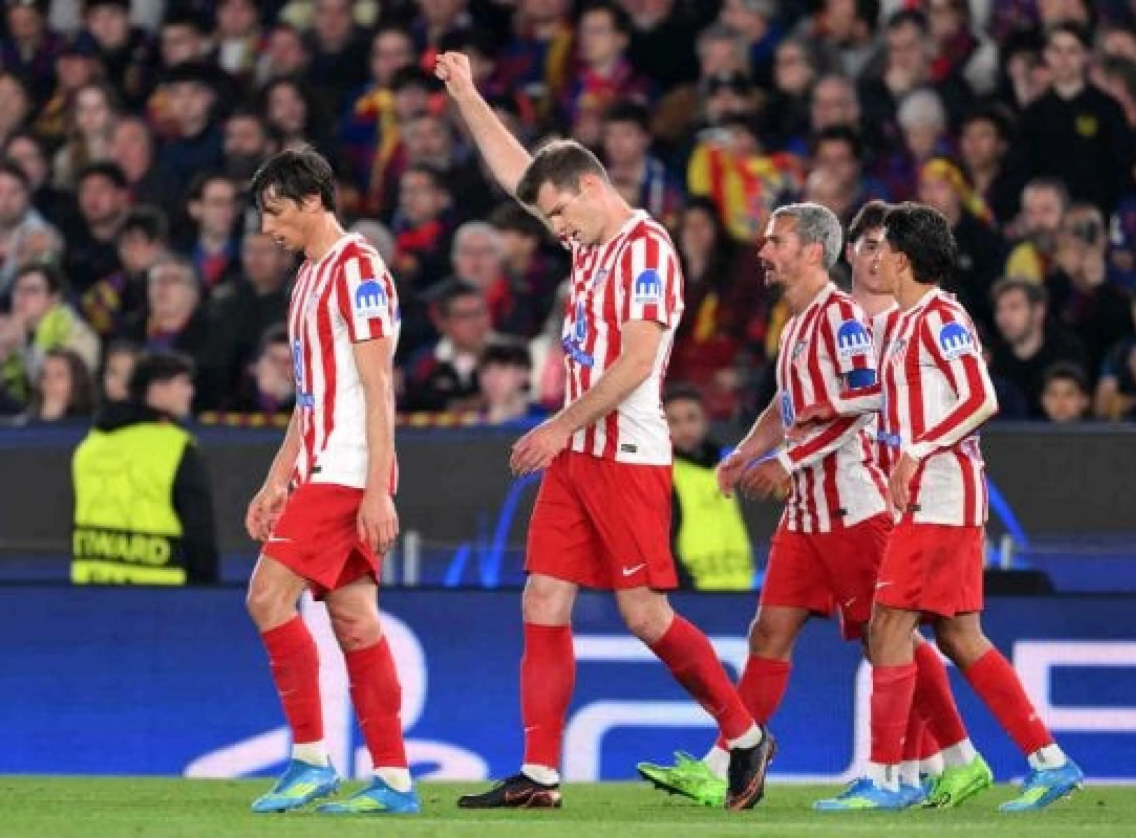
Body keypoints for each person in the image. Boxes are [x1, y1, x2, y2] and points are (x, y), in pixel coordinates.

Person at [436, 50, 775, 811]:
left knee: (645, 615)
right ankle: (540, 775)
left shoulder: (646, 248)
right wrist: (465, 91)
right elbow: (519, 173)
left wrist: (557, 425)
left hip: (624, 452)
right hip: (580, 452)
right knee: (542, 600)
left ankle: (745, 736)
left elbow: (636, 363)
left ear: (593, 187)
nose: (553, 227)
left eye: (560, 212)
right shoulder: (586, 236)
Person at [640, 202, 985, 812]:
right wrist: (744, 454)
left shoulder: (844, 320)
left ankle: (956, 757)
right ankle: (731, 757)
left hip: (852, 509)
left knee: (890, 638)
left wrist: (788, 463)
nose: (763, 251)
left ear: (812, 252)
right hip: (806, 517)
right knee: (769, 632)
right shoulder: (797, 323)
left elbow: (859, 407)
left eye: (776, 241)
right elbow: (786, 405)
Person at [831, 202, 1083, 812]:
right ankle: (1049, 761)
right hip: (930, 497)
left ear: (905, 259)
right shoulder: (902, 322)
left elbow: (980, 396)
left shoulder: (943, 316)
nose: (875, 259)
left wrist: (916, 450)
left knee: (889, 623)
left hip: (941, 495)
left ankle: (886, 780)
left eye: (883, 248)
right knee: (958, 635)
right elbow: (896, 399)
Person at [240, 147, 418, 815]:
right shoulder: (308, 275)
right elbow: (312, 396)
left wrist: (377, 487)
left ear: (313, 201)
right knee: (354, 621)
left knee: (266, 598)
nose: (267, 229)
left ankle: (312, 759)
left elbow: (379, 387)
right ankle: (395, 780)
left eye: (276, 212)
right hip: (321, 465)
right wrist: (275, 478)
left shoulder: (358, 268)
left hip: (346, 471)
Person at [70, 350, 217, 585]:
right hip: (160, 591)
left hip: (91, 585)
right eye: (183, 384)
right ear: (157, 389)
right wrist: (207, 591)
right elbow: (199, 530)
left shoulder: (90, 445)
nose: (190, 392)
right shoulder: (176, 446)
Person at [663, 383, 755, 591]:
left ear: (705, 421)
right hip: (692, 596)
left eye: (691, 418)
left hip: (740, 591)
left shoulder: (724, 467)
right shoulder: (664, 475)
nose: (684, 428)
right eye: (674, 421)